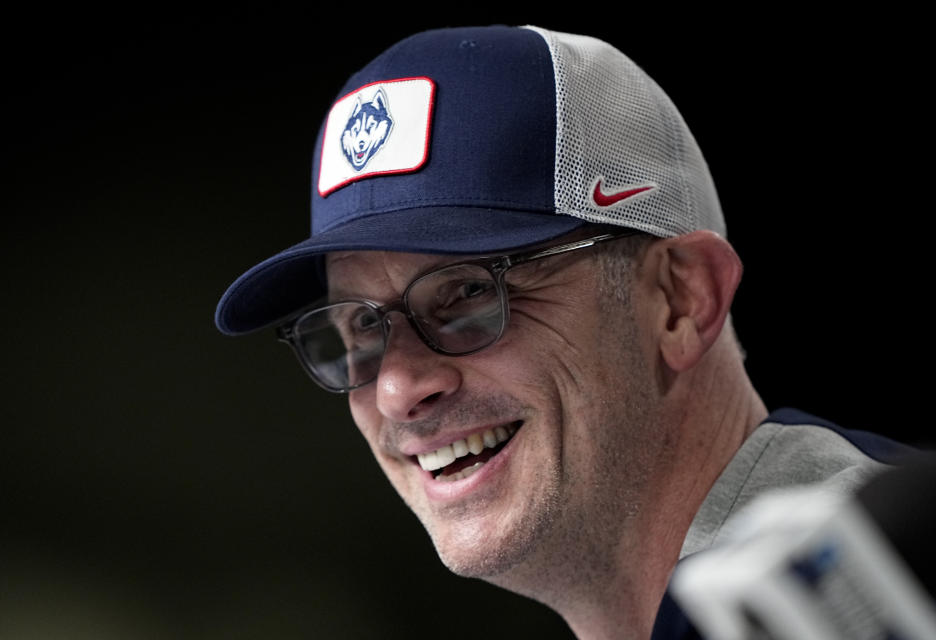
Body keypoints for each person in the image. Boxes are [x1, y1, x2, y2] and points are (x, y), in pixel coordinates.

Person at [215, 26, 908, 639]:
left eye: (466, 294)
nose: (397, 387)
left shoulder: (888, 577)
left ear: (680, 299)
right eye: (359, 326)